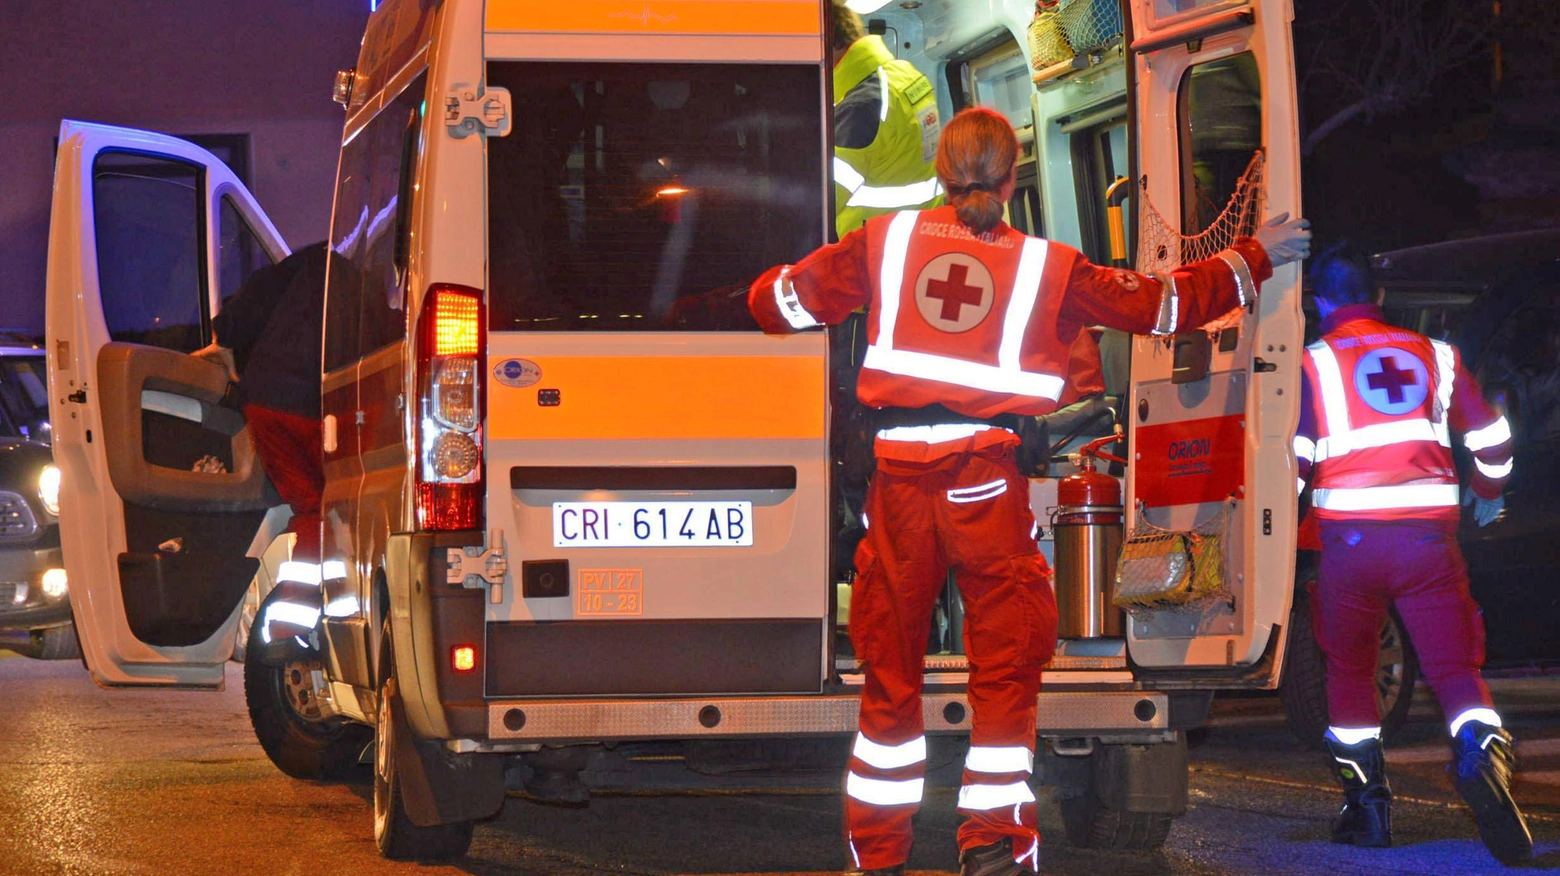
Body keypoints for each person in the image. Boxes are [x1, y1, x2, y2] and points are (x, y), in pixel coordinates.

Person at [747, 107, 1309, 876]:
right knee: (1005, 673)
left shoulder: (884, 242)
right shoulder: (1049, 265)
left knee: (889, 680)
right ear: (1014, 179)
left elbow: (777, 309)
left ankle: (876, 861)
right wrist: (1255, 258)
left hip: (900, 483)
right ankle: (995, 851)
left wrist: (759, 276)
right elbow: (1164, 307)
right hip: (986, 483)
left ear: (940, 172)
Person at [1293, 245, 1530, 864]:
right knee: (1454, 668)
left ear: (1320, 303)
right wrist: (1487, 491)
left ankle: (1368, 809)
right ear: (1377, 297)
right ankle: (1483, 751)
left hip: (1347, 545)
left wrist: (1275, 533)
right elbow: (1494, 438)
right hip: (1429, 542)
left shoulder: (1311, 364)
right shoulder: (1438, 355)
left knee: (1349, 669)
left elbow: (1292, 463)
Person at [193, 242, 329, 663]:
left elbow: (248, 301)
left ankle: (289, 626)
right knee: (325, 510)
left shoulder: (312, 259)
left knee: (310, 509)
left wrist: (226, 344)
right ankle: (297, 623)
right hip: (313, 406)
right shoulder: (376, 274)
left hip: (264, 403)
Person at [829, 0, 944, 238]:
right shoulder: (906, 75)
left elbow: (821, 202)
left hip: (874, 252)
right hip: (924, 236)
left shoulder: (859, 108)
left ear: (826, 45)